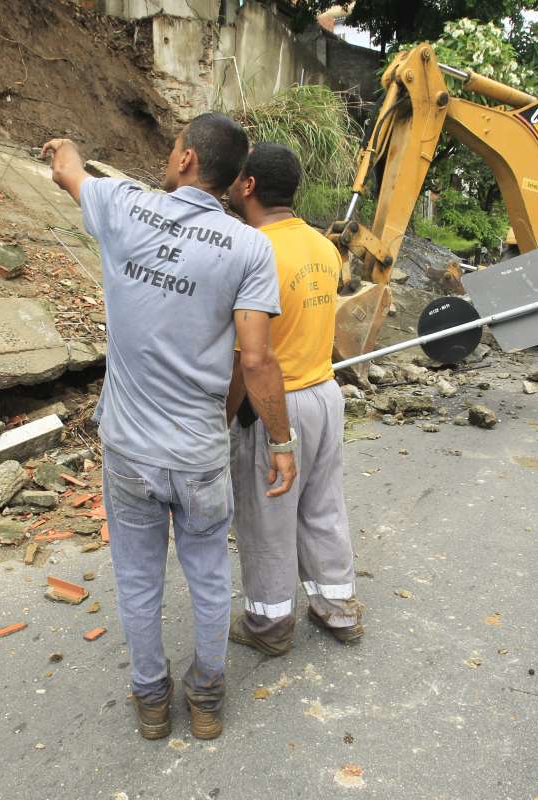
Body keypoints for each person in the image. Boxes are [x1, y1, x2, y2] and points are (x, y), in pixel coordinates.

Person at [40, 113, 298, 742]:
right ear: (234, 179)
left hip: (128, 448)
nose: (170, 153)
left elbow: (69, 171)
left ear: (186, 161)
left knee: (136, 578)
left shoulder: (124, 207)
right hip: (199, 451)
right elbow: (257, 358)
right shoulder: (250, 248)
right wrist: (281, 442)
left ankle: (152, 698)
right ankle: (206, 697)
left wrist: (66, 148)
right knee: (209, 573)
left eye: (175, 145)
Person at [224, 143, 364, 656]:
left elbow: (250, 358)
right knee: (323, 506)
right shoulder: (323, 249)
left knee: (266, 517)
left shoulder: (253, 251)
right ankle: (339, 608)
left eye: (237, 178)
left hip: (275, 404)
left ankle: (268, 625)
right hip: (326, 394)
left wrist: (225, 418)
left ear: (249, 186)